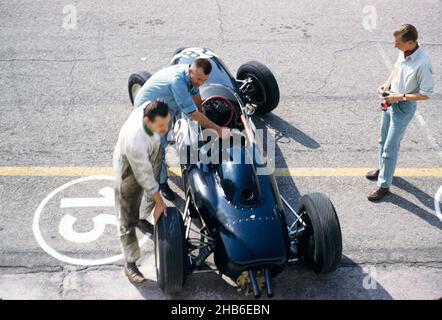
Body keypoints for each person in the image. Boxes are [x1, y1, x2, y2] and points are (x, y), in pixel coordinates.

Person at [133, 58, 230, 201]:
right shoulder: (178, 82)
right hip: (149, 110)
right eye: (198, 79)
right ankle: (161, 183)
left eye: (203, 80)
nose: (200, 82)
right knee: (159, 146)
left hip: (166, 105)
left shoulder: (192, 74)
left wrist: (202, 110)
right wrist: (218, 130)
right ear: (190, 71)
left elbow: (196, 92)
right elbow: (192, 114)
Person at [366, 24, 434, 201]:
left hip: (403, 108)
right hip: (390, 101)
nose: (394, 46)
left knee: (390, 147)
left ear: (410, 43)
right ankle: (384, 169)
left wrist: (400, 97)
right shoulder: (404, 52)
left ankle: (384, 186)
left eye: (398, 43)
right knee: (382, 140)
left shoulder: (423, 64)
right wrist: (386, 85)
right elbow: (396, 69)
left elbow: (426, 94)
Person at [113, 99, 170, 283]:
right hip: (129, 169)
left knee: (149, 196)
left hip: (150, 153)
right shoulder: (135, 140)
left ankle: (141, 218)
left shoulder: (151, 108)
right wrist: (160, 202)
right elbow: (144, 176)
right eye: (162, 126)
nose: (166, 129)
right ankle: (129, 263)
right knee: (126, 216)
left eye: (167, 123)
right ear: (148, 122)